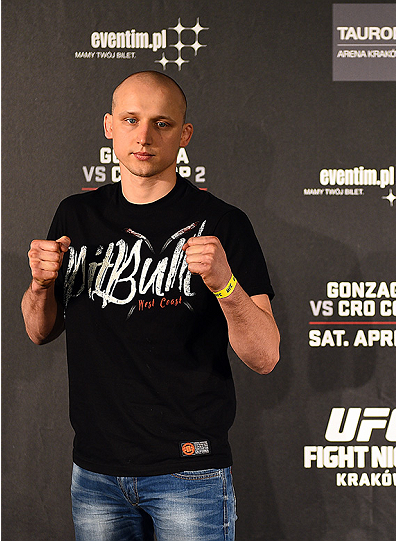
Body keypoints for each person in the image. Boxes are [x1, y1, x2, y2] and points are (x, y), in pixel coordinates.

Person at [21, 71, 280, 541]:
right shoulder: (75, 215)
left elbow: (264, 356)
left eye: (161, 124)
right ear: (108, 126)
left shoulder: (223, 222)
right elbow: (39, 331)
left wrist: (225, 285)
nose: (143, 137)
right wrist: (40, 285)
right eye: (130, 120)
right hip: (95, 472)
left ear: (184, 135)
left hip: (189, 472)